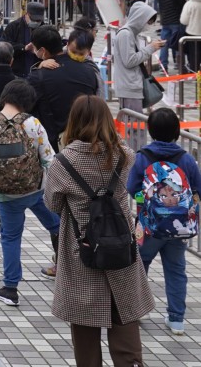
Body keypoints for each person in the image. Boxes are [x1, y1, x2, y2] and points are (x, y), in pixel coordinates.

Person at [45, 96, 153, 367]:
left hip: (82, 251)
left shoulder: (64, 162)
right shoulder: (124, 155)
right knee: (125, 319)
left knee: (84, 334)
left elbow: (53, 204)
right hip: (120, 245)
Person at [0, 79, 59, 307]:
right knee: (56, 223)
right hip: (35, 188)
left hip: (5, 194)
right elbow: (48, 158)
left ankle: (10, 288)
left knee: (11, 237)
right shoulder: (33, 123)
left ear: (5, 96)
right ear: (28, 101)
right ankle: (69, 260)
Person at [126, 107, 201, 336]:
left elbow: (131, 187)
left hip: (147, 225)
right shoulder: (185, 159)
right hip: (179, 227)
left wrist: (145, 203)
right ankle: (176, 319)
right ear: (177, 132)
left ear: (150, 130)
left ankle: (139, 311)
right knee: (176, 269)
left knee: (141, 266)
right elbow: (197, 188)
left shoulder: (143, 157)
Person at [28, 26, 102, 151]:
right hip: (88, 140)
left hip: (55, 145)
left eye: (35, 49)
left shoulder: (38, 75)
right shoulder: (90, 71)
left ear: (42, 51)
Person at [111, 2, 164, 117]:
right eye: (148, 21)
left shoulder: (131, 34)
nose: (148, 25)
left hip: (131, 85)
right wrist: (150, 48)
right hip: (129, 87)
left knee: (134, 126)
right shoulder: (125, 34)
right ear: (140, 18)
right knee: (134, 127)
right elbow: (130, 61)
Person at [1, 2, 45, 78]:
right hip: (18, 72)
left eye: (39, 21)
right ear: (27, 14)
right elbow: (4, 46)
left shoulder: (44, 28)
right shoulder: (13, 27)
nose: (36, 22)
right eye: (34, 19)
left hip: (38, 72)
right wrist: (23, 48)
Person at [180, 0, 201, 72]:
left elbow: (183, 21)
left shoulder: (189, 4)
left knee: (194, 55)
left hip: (192, 33)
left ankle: (195, 73)